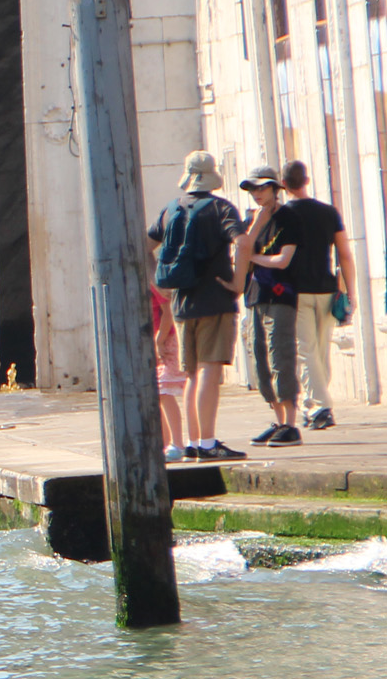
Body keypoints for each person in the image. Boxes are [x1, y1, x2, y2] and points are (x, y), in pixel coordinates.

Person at [149, 149, 246, 460]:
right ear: (212, 177)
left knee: (191, 373)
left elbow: (143, 245)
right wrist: (238, 282)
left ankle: (192, 442)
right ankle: (207, 442)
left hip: (181, 303)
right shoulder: (221, 208)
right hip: (215, 300)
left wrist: (157, 285)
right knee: (209, 370)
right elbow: (243, 242)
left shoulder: (171, 209)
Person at [282, 159, 353, 429]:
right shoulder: (328, 212)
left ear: (283, 184)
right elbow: (344, 255)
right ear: (307, 181)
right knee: (321, 350)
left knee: (306, 350)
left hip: (296, 291)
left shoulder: (282, 215)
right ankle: (315, 405)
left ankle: (320, 407)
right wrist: (349, 291)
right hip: (326, 288)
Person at [238, 166, 302, 446]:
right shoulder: (250, 220)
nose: (256, 194)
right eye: (253, 189)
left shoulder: (289, 217)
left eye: (262, 188)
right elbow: (239, 256)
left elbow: (283, 260)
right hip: (255, 294)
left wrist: (253, 257)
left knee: (280, 353)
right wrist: (251, 243)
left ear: (276, 189)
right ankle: (277, 420)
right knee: (259, 358)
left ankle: (290, 424)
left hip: (280, 294)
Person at [150, 283, 185, 454]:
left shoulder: (152, 281)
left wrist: (159, 339)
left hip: (166, 339)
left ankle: (177, 443)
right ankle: (165, 443)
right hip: (157, 339)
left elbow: (168, 310)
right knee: (158, 394)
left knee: (165, 392)